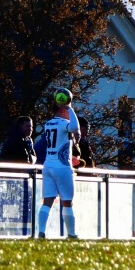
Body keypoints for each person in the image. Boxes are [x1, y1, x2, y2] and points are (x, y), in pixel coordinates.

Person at [37, 89, 80, 239]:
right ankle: (72, 234)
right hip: (62, 166)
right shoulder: (64, 123)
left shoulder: (48, 123)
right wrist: (70, 109)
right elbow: (75, 127)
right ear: (63, 109)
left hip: (48, 165)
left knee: (47, 201)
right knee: (67, 201)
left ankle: (41, 232)